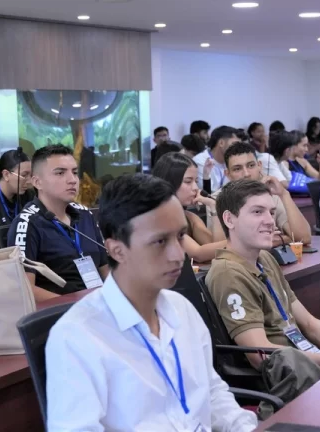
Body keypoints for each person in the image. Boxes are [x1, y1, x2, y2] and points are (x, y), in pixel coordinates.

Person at [45, 174, 257, 432]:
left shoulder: (182, 309)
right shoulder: (77, 336)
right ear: (116, 250)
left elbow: (212, 392)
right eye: (159, 241)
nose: (178, 255)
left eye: (180, 236)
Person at [206, 180, 320, 371]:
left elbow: (309, 324)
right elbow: (260, 355)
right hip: (288, 377)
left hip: (307, 362)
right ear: (229, 219)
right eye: (257, 212)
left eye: (271, 212)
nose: (270, 221)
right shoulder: (228, 273)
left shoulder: (265, 258)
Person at [7, 145, 109, 300]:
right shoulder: (27, 223)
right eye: (60, 173)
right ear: (37, 182)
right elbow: (24, 288)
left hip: (98, 303)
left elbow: (105, 269)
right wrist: (77, 306)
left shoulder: (85, 214)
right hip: (62, 309)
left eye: (75, 172)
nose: (72, 180)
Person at [219, 142, 312, 245]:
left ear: (259, 166)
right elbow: (218, 246)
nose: (246, 174)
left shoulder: (271, 195)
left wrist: (284, 194)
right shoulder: (219, 199)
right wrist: (283, 238)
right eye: (237, 169)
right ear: (227, 174)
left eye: (251, 165)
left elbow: (304, 238)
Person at [152, 153, 226, 262]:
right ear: (168, 183)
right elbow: (198, 254)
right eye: (188, 181)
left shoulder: (190, 217)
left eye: (196, 181)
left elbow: (217, 249)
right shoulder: (159, 219)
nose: (195, 188)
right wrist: (241, 241)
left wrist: (214, 208)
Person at [193, 126, 240, 190]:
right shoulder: (200, 161)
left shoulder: (233, 160)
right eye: (234, 144)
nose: (237, 148)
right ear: (221, 143)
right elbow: (207, 192)